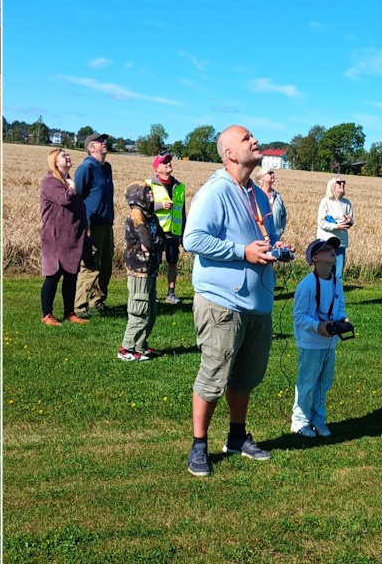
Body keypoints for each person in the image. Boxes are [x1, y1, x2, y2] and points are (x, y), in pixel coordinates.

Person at [182, 125, 281, 477]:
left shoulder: (256, 192)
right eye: (246, 138)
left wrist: (275, 250)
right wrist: (242, 252)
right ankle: (198, 447)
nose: (255, 141)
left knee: (244, 378)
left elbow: (262, 237)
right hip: (222, 302)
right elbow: (192, 239)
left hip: (257, 304)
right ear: (231, 154)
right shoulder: (216, 191)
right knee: (214, 375)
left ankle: (237, 437)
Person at [291, 237, 349, 438]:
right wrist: (318, 326)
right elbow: (299, 317)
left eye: (333, 248)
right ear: (314, 258)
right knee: (306, 383)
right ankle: (299, 422)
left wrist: (342, 319)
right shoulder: (306, 285)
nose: (332, 251)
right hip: (311, 343)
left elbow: (339, 306)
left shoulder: (336, 281)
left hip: (329, 343)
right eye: (326, 249)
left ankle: (318, 420)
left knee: (324, 383)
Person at [39, 148, 88, 326]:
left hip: (71, 237)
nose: (67, 157)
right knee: (53, 275)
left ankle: (70, 312)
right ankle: (47, 314)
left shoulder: (66, 181)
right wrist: (73, 187)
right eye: (63, 156)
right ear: (54, 162)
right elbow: (66, 200)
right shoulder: (50, 182)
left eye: (68, 154)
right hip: (55, 237)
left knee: (71, 275)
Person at [118, 182, 162, 361]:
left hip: (151, 269)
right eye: (147, 193)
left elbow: (160, 240)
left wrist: (153, 243)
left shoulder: (151, 217)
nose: (151, 196)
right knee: (139, 311)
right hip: (139, 271)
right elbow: (148, 241)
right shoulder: (135, 219)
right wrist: (151, 243)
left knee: (151, 313)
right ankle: (126, 348)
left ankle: (140, 346)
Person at [73, 135, 115, 313]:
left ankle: (97, 301)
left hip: (107, 222)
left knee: (106, 264)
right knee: (91, 264)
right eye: (99, 141)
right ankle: (79, 305)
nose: (104, 143)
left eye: (104, 141)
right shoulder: (86, 168)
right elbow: (77, 195)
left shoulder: (107, 168)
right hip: (92, 223)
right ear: (90, 148)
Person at [147, 154, 187, 304]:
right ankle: (153, 294)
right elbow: (142, 206)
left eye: (169, 161)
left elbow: (182, 212)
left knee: (172, 262)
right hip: (155, 231)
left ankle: (171, 294)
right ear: (157, 168)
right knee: (154, 262)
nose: (168, 163)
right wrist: (159, 206)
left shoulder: (179, 186)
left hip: (173, 232)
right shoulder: (149, 185)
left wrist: (184, 233)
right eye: (164, 162)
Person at [318, 177, 353, 282]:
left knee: (338, 275)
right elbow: (321, 222)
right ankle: (324, 295)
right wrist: (336, 226)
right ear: (332, 186)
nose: (342, 184)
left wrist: (349, 221)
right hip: (326, 243)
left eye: (344, 182)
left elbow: (351, 221)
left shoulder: (347, 203)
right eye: (339, 182)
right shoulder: (325, 202)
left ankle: (337, 296)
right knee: (326, 272)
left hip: (341, 242)